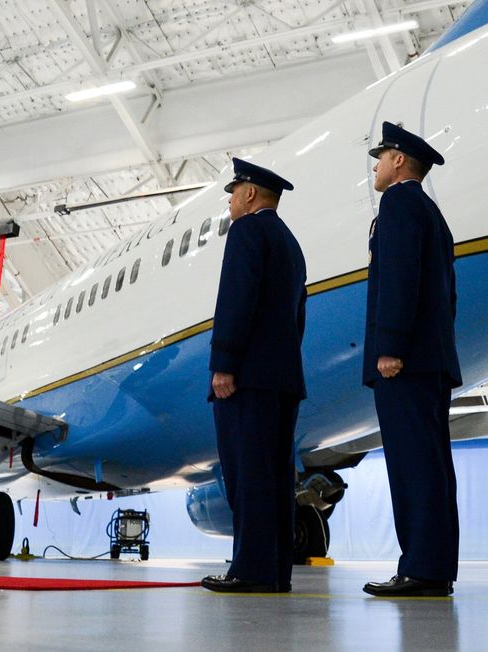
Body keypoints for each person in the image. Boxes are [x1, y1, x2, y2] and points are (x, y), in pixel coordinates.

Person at [361, 121, 461, 598]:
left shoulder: (398, 203)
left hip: (406, 361)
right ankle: (434, 566)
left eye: (381, 157)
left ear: (399, 161)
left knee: (412, 465)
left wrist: (391, 346)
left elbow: (398, 280)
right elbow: (445, 293)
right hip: (430, 359)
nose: (376, 166)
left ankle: (420, 568)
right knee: (432, 465)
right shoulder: (431, 212)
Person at [201, 158, 307, 594]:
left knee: (247, 476)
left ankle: (249, 569)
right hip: (282, 378)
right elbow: (297, 315)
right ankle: (276, 571)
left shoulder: (247, 231)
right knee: (278, 479)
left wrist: (224, 363)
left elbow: (236, 300)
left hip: (248, 378)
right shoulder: (290, 242)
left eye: (233, 191)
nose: (229, 199)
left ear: (249, 194)